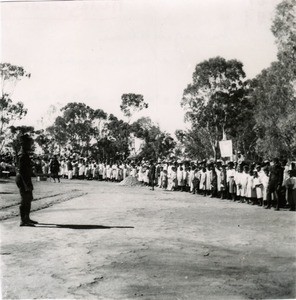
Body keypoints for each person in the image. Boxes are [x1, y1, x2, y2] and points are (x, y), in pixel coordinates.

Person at [15, 134, 38, 227]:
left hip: (25, 178)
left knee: (28, 198)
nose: (30, 145)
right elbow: (22, 171)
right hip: (23, 179)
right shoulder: (22, 155)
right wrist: (26, 184)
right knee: (24, 199)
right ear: (23, 144)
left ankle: (27, 218)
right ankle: (23, 220)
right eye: (28, 143)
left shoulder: (25, 154)